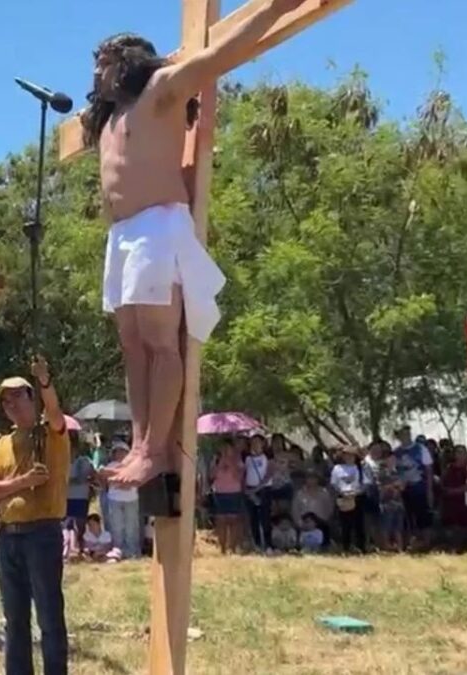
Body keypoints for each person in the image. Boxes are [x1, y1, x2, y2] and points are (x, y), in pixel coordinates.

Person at [80, 0, 307, 489]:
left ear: (129, 63)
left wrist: (273, 9)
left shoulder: (161, 89)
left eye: (104, 63)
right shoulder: (106, 117)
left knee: (162, 341)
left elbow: (223, 54)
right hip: (121, 237)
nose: (96, 72)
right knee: (132, 345)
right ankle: (140, 443)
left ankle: (155, 449)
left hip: (157, 225)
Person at [0, 356, 69, 675]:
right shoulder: (3, 442)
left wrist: (44, 380)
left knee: (48, 615)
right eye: (5, 400)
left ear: (33, 399)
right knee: (14, 618)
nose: (11, 404)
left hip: (42, 533)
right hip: (8, 536)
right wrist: (22, 483)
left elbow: (56, 412)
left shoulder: (51, 433)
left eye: (18, 396)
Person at [393, 425, 434, 549]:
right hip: (403, 489)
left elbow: (428, 470)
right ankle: (409, 543)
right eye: (403, 434)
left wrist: (429, 489)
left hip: (419, 487)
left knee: (423, 516)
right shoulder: (396, 452)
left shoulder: (420, 449)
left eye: (407, 433)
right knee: (406, 517)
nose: (406, 436)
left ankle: (427, 543)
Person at [208, 439, 245, 555]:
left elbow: (240, 477)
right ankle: (222, 548)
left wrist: (231, 464)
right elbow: (211, 476)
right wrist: (219, 465)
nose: (225, 451)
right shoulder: (216, 460)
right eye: (223, 448)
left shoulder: (238, 460)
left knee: (233, 520)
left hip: (234, 493)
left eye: (227, 448)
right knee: (221, 521)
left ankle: (233, 547)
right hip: (219, 493)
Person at [330, 447, 366, 554]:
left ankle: (361, 547)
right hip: (343, 497)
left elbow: (365, 483)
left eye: (351, 455)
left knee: (358, 524)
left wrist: (356, 493)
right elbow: (333, 484)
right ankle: (346, 547)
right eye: (346, 455)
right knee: (345, 525)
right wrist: (342, 493)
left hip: (356, 497)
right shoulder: (337, 468)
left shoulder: (359, 468)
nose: (349, 457)